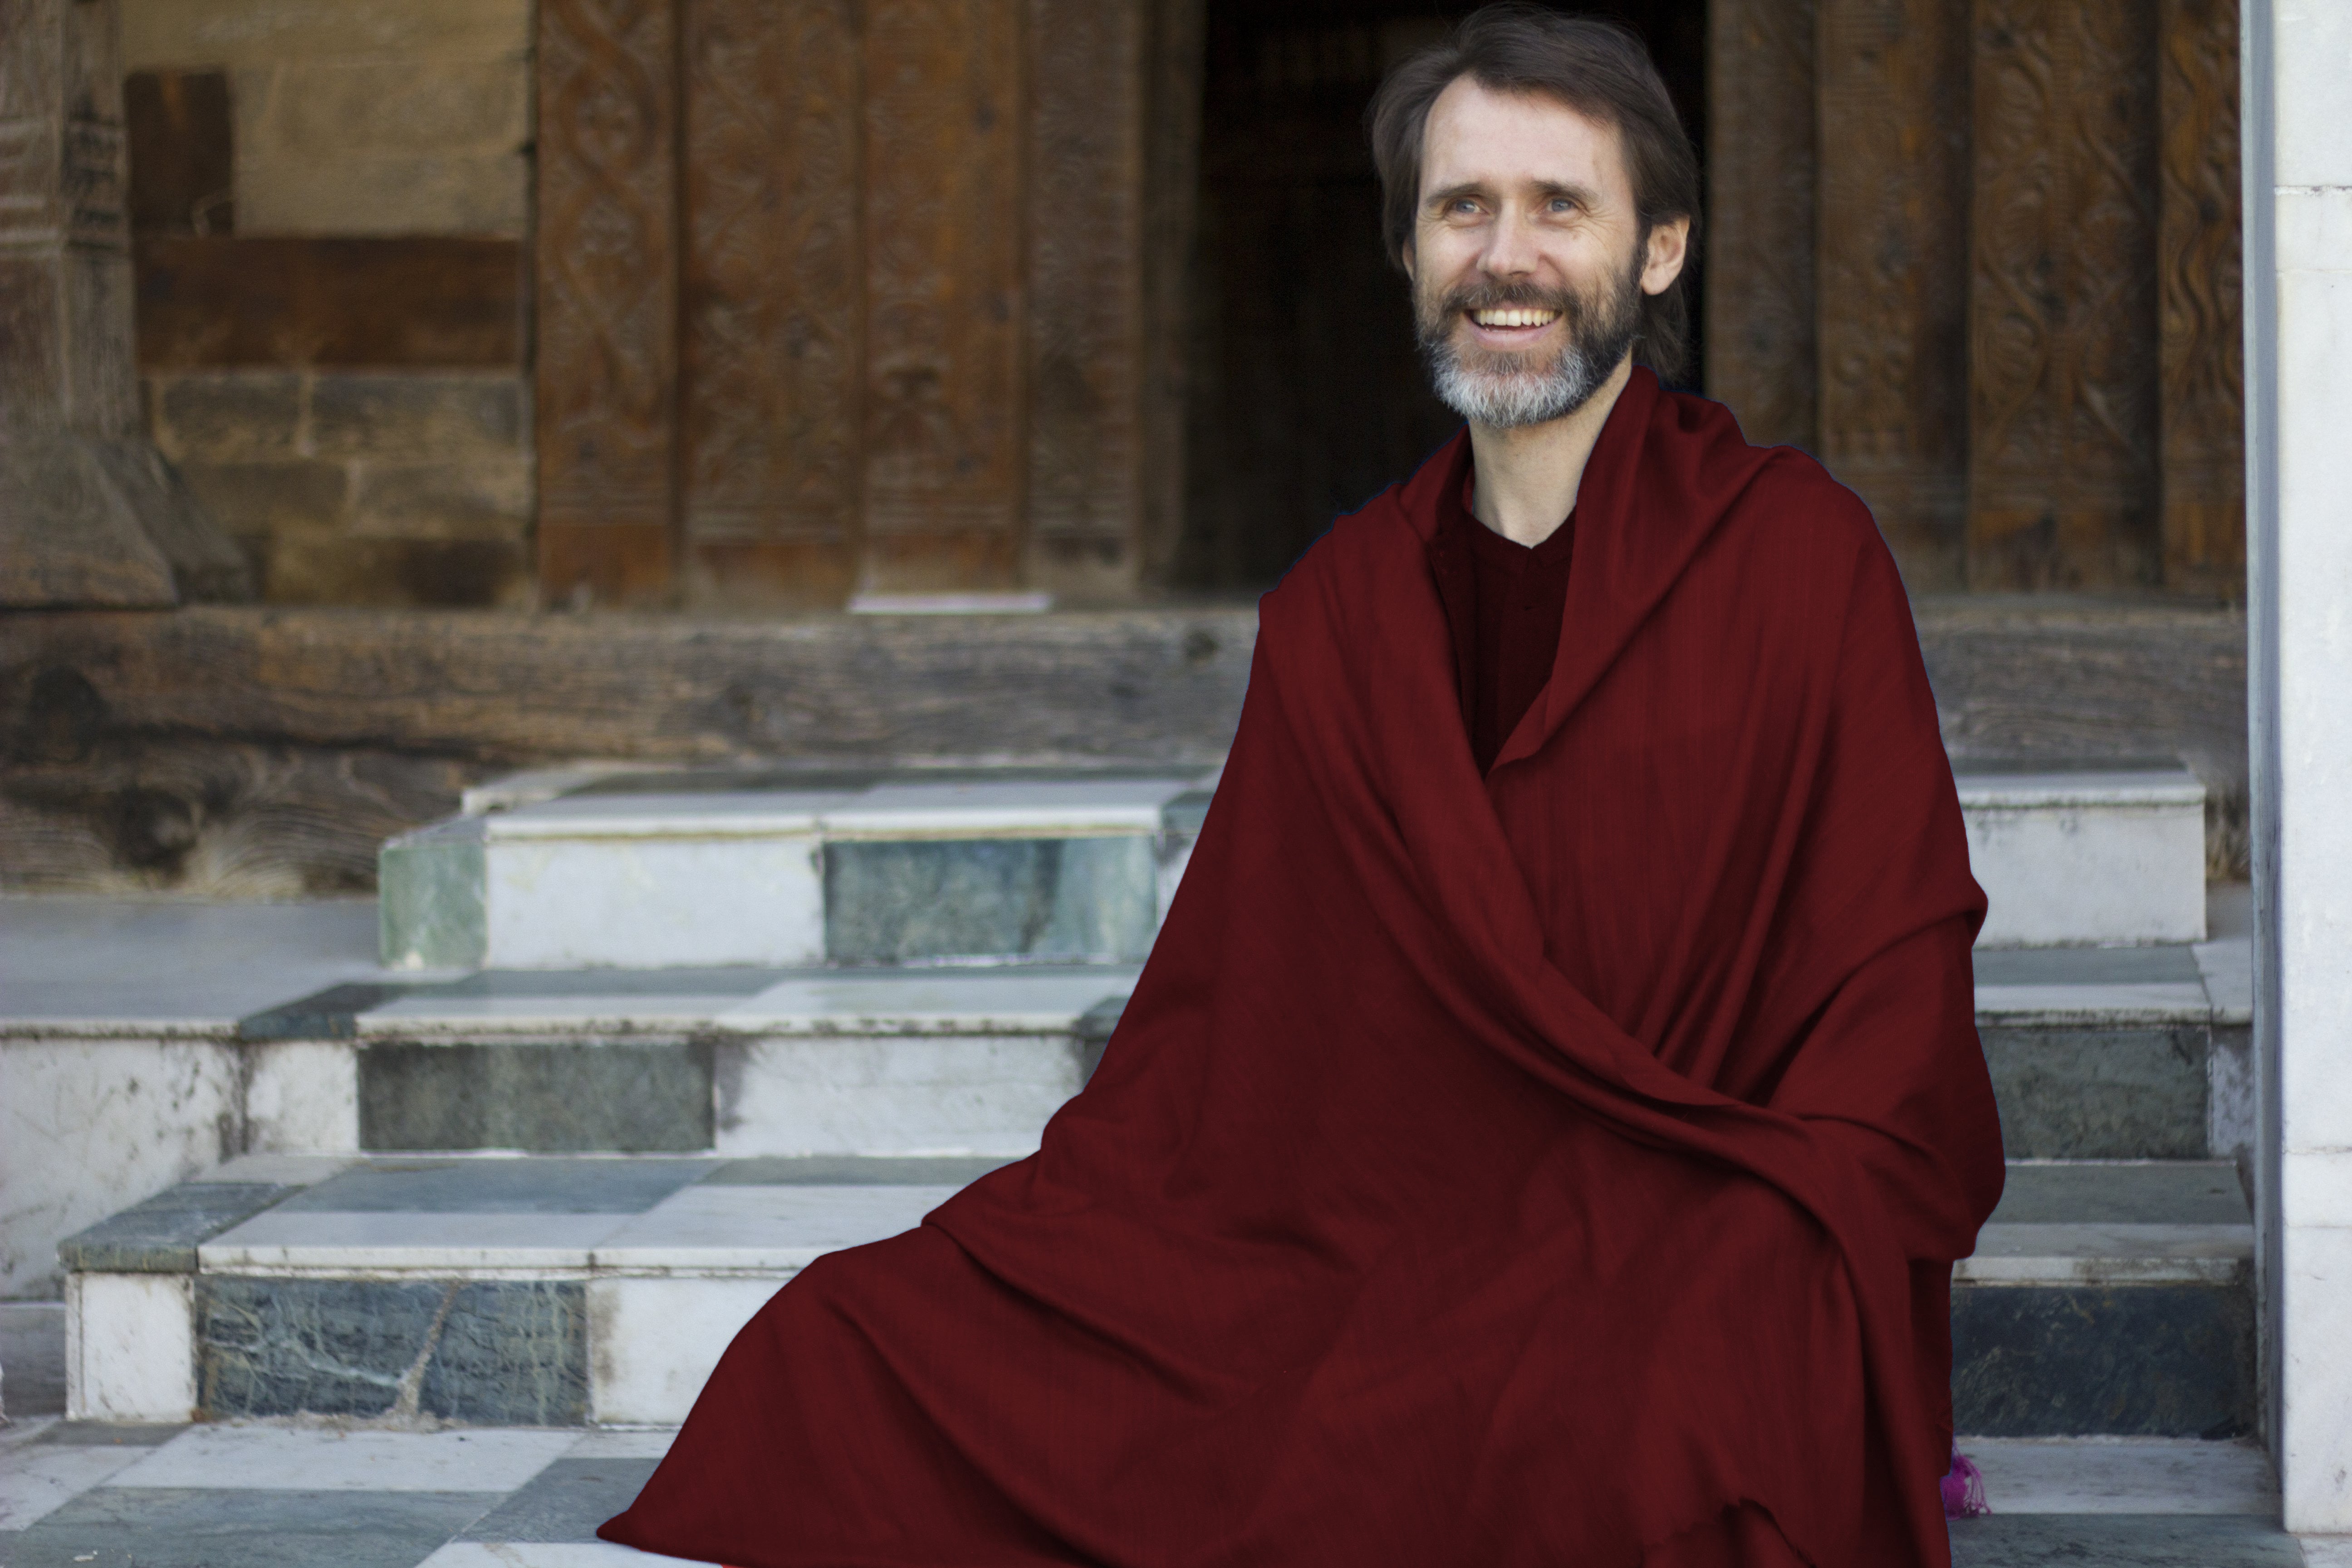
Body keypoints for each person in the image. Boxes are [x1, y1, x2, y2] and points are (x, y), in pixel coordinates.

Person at [601, 6, 2004, 1563]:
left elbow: (1895, 995)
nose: (1507, 257)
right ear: (1411, 255)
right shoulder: (1343, 608)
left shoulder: (1799, 559)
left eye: (1561, 207)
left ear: (1659, 252)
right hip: (1381, 1222)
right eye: (1463, 208)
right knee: (852, 1346)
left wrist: (1803, 1210)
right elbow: (1235, 1029)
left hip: (1687, 1199)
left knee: (1648, 1410)